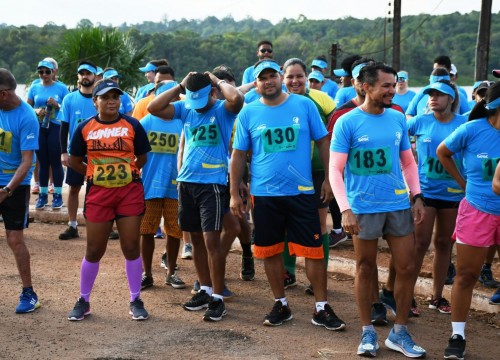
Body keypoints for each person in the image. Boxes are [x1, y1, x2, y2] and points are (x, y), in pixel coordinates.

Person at [230, 59, 346, 331]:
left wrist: (330, 179)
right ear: (255, 83)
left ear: (281, 78)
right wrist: (235, 192)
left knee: (314, 251)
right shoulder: (248, 112)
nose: (268, 81)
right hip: (265, 195)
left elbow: (323, 141)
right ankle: (280, 302)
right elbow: (238, 155)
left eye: (272, 76)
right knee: (270, 250)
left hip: (302, 192)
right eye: (262, 78)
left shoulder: (304, 105)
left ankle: (321, 307)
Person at [330, 62, 426, 358]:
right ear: (365, 86)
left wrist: (417, 195)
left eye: (394, 84)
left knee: (408, 267)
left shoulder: (397, 118)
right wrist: (345, 209)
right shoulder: (347, 121)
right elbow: (335, 169)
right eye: (385, 85)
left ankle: (399, 332)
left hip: (398, 204)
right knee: (365, 268)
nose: (392, 90)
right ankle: (367, 331)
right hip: (363, 208)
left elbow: (408, 162)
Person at [148, 71, 244, 322]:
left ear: (212, 93)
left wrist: (218, 81)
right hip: (186, 183)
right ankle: (205, 289)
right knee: (196, 241)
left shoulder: (223, 110)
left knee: (212, 242)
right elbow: (153, 106)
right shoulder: (186, 108)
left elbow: (238, 99)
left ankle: (218, 298)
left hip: (212, 184)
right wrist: (179, 85)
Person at [66, 80, 151, 321]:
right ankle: (84, 300)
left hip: (129, 193)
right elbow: (74, 161)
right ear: (95, 102)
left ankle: (135, 299)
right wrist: (93, 174)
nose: (112, 101)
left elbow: (142, 156)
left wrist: (129, 172)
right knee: (94, 249)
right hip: (99, 194)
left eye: (116, 96)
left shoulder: (133, 124)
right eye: (106, 97)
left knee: (132, 246)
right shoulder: (84, 127)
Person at [437, 81, 500, 359]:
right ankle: (458, 334)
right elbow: (443, 152)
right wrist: (463, 182)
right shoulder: (473, 130)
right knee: (466, 275)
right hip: (477, 209)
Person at [407, 80, 466, 315]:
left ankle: (437, 297)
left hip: (453, 193)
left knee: (444, 244)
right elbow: (397, 140)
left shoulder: (463, 124)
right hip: (426, 192)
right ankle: (407, 295)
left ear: (451, 98)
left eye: (439, 95)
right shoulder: (419, 121)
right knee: (419, 244)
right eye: (430, 94)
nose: (433, 98)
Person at [280, 58, 336, 294]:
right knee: (285, 224)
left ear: (307, 77)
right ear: (283, 78)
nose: (295, 81)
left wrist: (330, 175)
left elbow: (334, 132)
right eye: (290, 77)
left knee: (320, 223)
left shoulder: (321, 99)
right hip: (290, 172)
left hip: (318, 170)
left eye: (299, 76)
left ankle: (317, 278)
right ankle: (288, 272)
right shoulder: (278, 101)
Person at [0, 68, 41, 313]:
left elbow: (27, 162)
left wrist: (6, 190)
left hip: (15, 183)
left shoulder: (26, 117)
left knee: (14, 239)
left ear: (3, 94)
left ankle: (29, 292)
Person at [139, 81, 186, 290]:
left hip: (175, 186)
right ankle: (146, 273)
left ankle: (171, 272)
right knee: (146, 230)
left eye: (174, 96)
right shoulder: (145, 123)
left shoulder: (182, 122)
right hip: (149, 186)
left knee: (174, 231)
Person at [58, 61, 99, 240]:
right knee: (74, 188)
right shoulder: (69, 98)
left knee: (97, 189)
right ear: (78, 77)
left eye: (88, 73)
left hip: (97, 151)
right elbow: (64, 127)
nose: (85, 76)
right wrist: (63, 152)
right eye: (81, 73)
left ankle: (99, 224)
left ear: (95, 76)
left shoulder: (100, 99)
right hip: (75, 151)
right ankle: (72, 225)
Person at [27, 60, 69, 210]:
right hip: (40, 127)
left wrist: (57, 105)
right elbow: (27, 108)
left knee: (55, 162)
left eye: (47, 72)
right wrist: (36, 111)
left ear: (53, 72)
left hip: (56, 127)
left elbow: (68, 108)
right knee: (43, 162)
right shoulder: (34, 87)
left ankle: (57, 196)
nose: (44, 75)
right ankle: (43, 196)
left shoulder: (62, 88)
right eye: (41, 72)